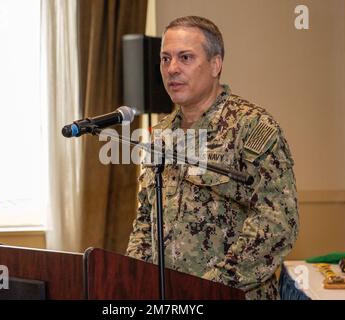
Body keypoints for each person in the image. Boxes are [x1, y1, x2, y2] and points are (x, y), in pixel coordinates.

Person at [126, 16, 299, 300]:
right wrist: (132, 279)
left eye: (185, 57)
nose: (172, 69)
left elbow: (278, 223)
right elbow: (146, 218)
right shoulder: (160, 136)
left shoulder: (251, 127)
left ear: (215, 65)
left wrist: (209, 287)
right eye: (165, 59)